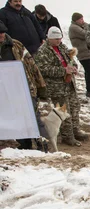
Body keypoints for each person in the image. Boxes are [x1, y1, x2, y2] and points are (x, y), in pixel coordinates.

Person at [35, 26, 90, 146]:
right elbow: (43, 69)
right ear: (49, 38)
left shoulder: (62, 47)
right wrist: (63, 70)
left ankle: (76, 131)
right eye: (56, 39)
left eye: (59, 38)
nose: (58, 41)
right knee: (64, 111)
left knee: (75, 108)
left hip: (69, 84)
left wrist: (74, 67)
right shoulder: (43, 51)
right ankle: (67, 136)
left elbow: (71, 59)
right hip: (56, 87)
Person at [0, 19, 48, 150]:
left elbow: (31, 65)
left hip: (24, 87)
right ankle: (24, 146)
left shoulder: (16, 45)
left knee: (34, 117)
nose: (1, 36)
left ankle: (42, 145)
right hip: (4, 91)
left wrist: (41, 86)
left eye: (3, 33)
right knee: (15, 119)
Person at [69, 12, 90, 98]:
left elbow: (89, 28)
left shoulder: (79, 26)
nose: (83, 21)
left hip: (87, 52)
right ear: (76, 20)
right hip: (82, 53)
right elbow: (86, 33)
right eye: (80, 19)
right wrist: (87, 26)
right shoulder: (74, 28)